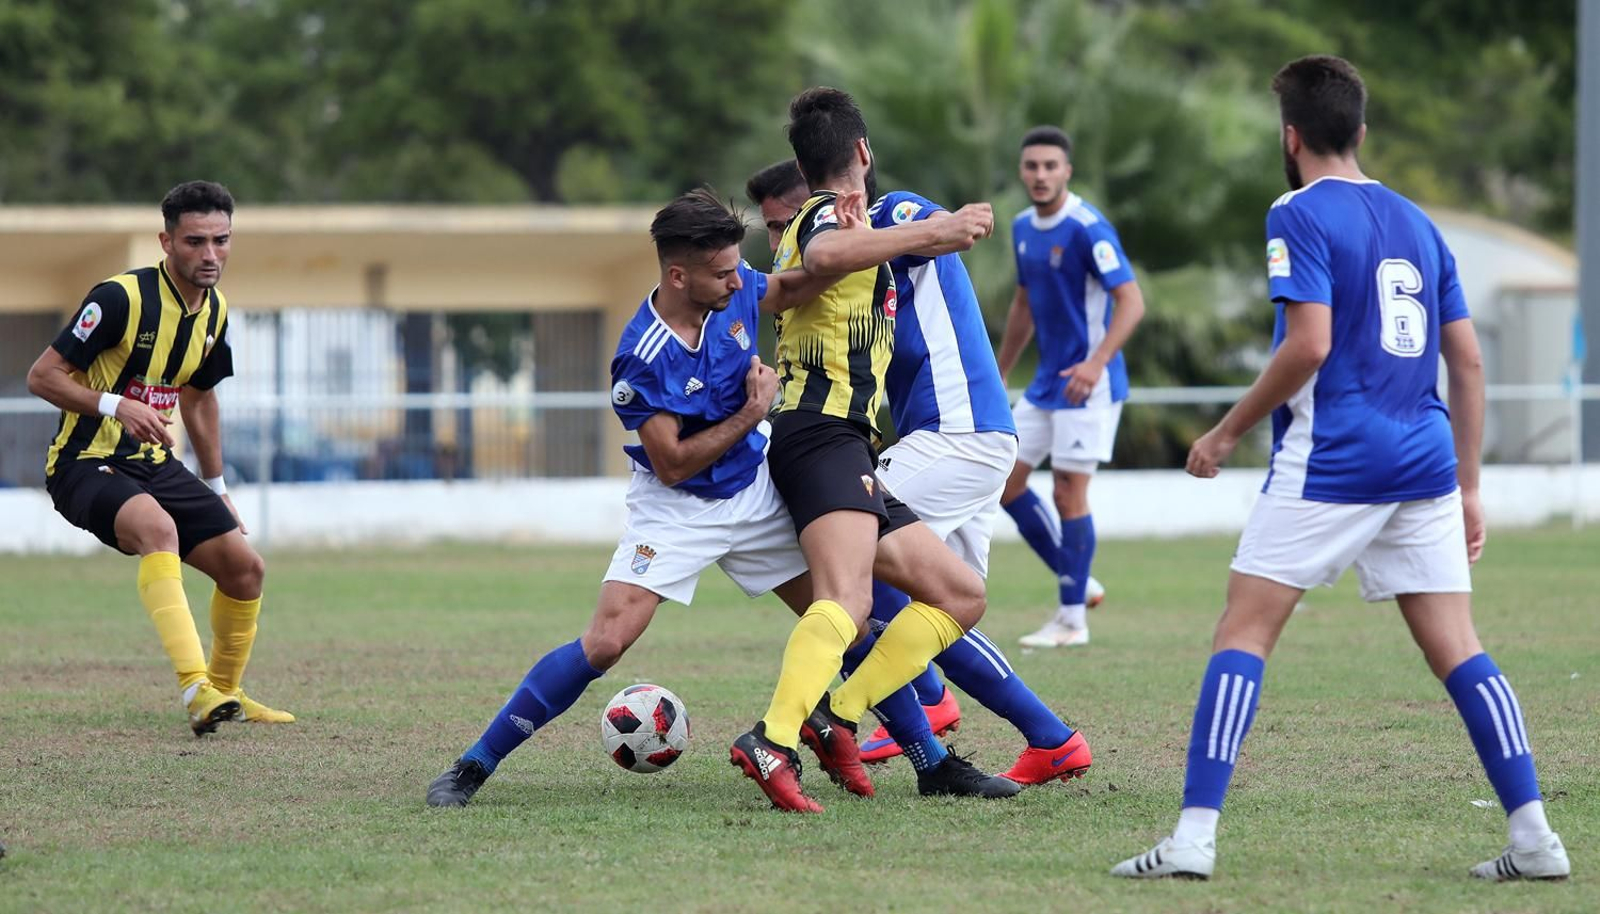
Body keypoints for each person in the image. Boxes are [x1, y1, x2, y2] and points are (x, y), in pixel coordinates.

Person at [1112, 56, 1570, 882]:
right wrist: (1470, 485)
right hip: (1426, 460)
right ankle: (1536, 838)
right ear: (1360, 131)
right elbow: (1466, 362)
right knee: (1460, 649)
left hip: (1336, 458)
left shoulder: (1296, 212)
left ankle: (1193, 838)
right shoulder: (1417, 220)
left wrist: (1222, 435)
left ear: (1290, 137)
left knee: (1242, 631)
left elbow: (1309, 344)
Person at [425, 188, 1008, 807]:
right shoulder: (640, 358)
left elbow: (786, 287)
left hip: (756, 489)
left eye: (738, 268)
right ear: (679, 275)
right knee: (606, 640)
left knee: (847, 618)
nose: (738, 282)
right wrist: (754, 411)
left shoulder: (737, 288)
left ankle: (932, 763)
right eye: (723, 273)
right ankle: (472, 767)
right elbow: (673, 463)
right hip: (679, 509)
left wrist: (866, 246)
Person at [746, 164, 1092, 785]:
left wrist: (951, 222)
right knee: (947, 599)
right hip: (960, 438)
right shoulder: (821, 277)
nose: (781, 242)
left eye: (783, 225)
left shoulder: (886, 214)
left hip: (954, 434)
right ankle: (1052, 739)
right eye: (772, 231)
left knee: (852, 570)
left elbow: (929, 226)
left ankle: (884, 711)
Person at [729, 87, 1009, 813]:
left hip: (840, 441)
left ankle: (839, 714)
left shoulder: (843, 222)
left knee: (960, 595)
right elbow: (825, 249)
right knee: (847, 602)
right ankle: (774, 737)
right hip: (819, 435)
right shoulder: (823, 219)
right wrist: (931, 230)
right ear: (862, 152)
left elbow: (809, 270)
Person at [24, 180, 291, 736]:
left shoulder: (214, 311)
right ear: (165, 241)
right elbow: (41, 376)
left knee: (246, 569)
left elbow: (199, 397)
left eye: (221, 240)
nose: (210, 254)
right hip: (83, 460)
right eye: (195, 241)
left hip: (152, 462)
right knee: (157, 528)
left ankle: (226, 691)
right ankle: (196, 688)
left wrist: (217, 486)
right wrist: (115, 404)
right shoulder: (120, 297)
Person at [996, 126, 1145, 649]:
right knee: (1004, 480)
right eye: (1032, 166)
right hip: (1044, 384)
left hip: (1089, 386)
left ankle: (1071, 619)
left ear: (1067, 171)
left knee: (1067, 492)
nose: (1040, 175)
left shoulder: (1088, 227)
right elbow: (1022, 304)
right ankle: (1080, 582)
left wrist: (1097, 363)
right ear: (1022, 171)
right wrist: (1002, 367)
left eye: (1050, 166)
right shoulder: (1020, 227)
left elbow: (1132, 301)